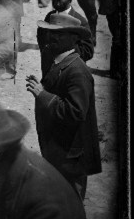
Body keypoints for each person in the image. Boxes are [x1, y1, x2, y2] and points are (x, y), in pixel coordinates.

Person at [27, 13, 100, 200]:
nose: (52, 37)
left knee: (71, 204)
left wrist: (42, 95)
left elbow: (75, 112)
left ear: (74, 38)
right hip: (61, 151)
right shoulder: (61, 61)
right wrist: (43, 88)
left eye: (59, 34)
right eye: (51, 33)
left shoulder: (77, 71)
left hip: (71, 157)